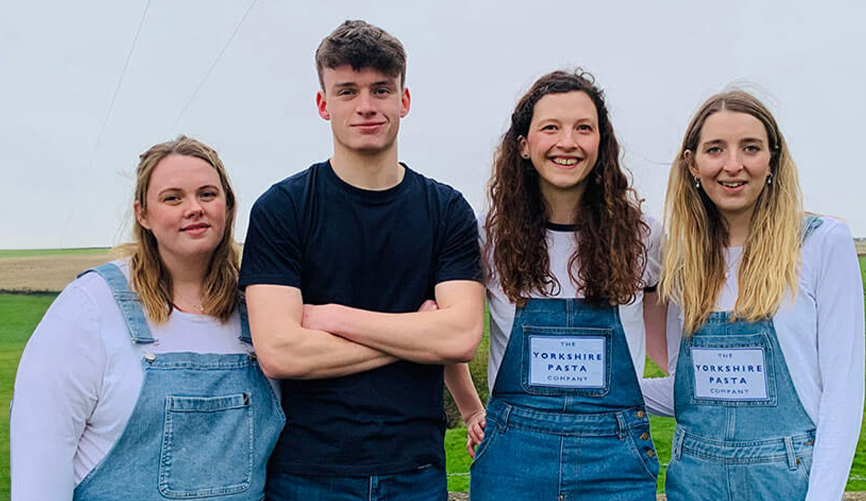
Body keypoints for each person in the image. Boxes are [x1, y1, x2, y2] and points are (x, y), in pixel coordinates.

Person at [238, 20, 484, 501]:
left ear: (404, 100)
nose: (366, 106)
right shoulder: (283, 209)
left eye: (381, 90)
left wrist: (335, 318)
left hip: (417, 470)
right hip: (307, 473)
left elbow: (460, 337)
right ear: (323, 104)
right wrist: (415, 333)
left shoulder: (446, 210)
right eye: (347, 91)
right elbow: (280, 352)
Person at [10, 136, 284, 500]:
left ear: (229, 205)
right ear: (143, 213)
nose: (194, 208)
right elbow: (39, 467)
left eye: (207, 194)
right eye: (173, 198)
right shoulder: (90, 307)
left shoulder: (260, 305)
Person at [447, 70, 664, 501]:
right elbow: (446, 331)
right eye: (551, 128)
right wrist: (472, 408)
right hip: (511, 460)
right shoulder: (487, 236)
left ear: (602, 143)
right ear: (524, 145)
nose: (568, 141)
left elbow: (667, 346)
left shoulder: (644, 236)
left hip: (616, 462)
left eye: (584, 128)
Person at [642, 90, 864, 501]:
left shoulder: (820, 245)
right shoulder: (682, 262)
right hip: (693, 480)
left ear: (773, 159)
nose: (733, 165)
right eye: (715, 149)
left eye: (750, 148)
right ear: (692, 163)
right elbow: (692, 393)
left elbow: (843, 393)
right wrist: (597, 390)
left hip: (787, 483)